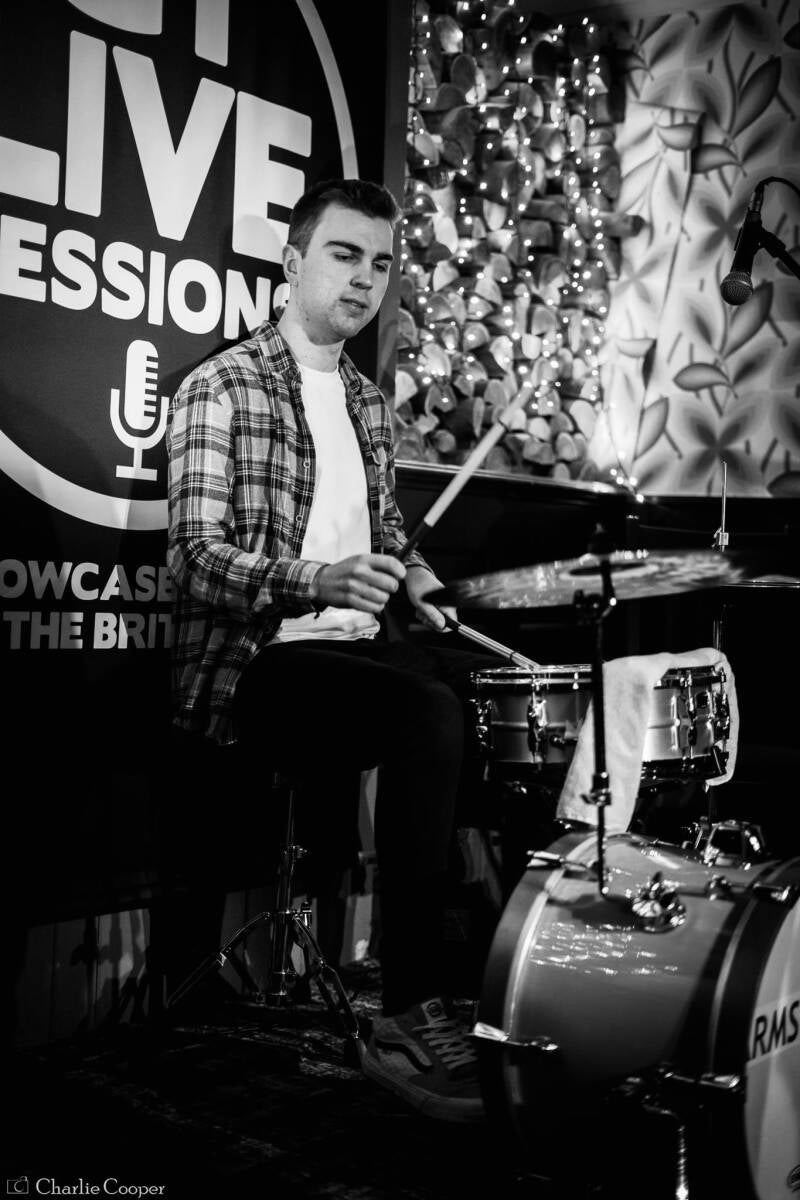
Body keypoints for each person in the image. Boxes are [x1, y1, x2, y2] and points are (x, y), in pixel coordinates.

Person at [166, 178, 495, 1123]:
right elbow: (192, 559)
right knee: (426, 713)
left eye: (381, 263)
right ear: (293, 261)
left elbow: (390, 537)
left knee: (483, 693)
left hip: (353, 657)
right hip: (255, 665)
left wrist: (419, 583)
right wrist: (317, 579)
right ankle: (403, 1015)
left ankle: (494, 977)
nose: (364, 279)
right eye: (344, 255)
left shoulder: (368, 404)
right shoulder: (221, 386)